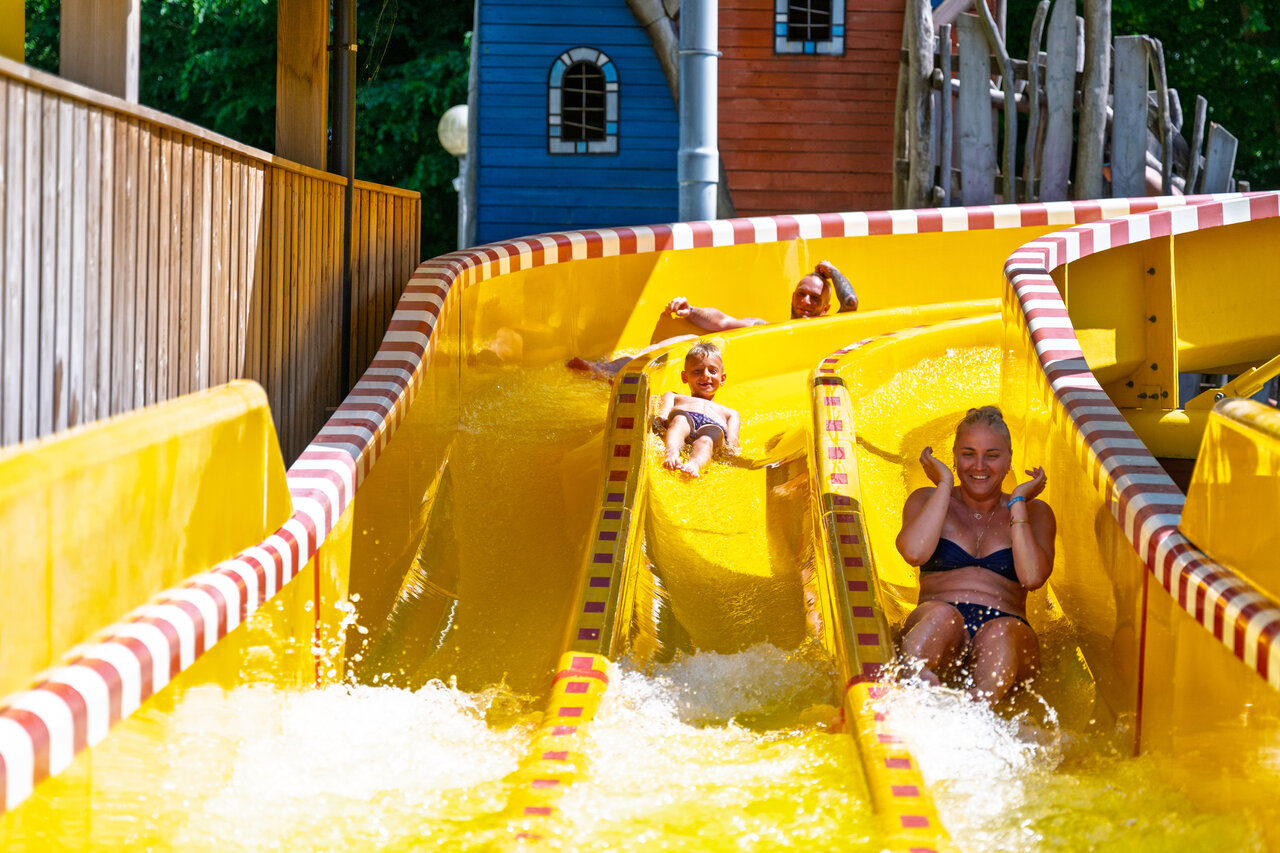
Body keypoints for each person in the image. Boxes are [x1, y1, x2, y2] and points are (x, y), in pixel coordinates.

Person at [893, 406, 1055, 702]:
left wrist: (1017, 501)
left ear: (1009, 460)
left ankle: (978, 708)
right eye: (968, 454)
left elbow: (1032, 578)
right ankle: (915, 686)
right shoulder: (926, 500)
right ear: (954, 456)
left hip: (1006, 634)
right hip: (939, 623)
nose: (979, 466)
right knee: (943, 615)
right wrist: (944, 485)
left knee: (1002, 631)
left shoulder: (1036, 512)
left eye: (992, 456)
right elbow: (915, 552)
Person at [664, 260, 858, 332]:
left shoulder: (828, 330)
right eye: (801, 294)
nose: (805, 301)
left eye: (815, 298)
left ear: (825, 309)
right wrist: (689, 310)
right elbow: (721, 322)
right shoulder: (765, 329)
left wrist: (832, 271)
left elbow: (850, 303)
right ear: (792, 297)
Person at [652, 341, 740, 477]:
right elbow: (661, 418)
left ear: (722, 378)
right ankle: (672, 453)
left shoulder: (730, 413)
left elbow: (732, 443)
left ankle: (695, 464)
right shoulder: (674, 396)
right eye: (698, 371)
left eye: (713, 371)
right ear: (684, 377)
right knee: (679, 421)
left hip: (712, 428)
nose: (706, 375)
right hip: (684, 419)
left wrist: (728, 452)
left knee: (707, 440)